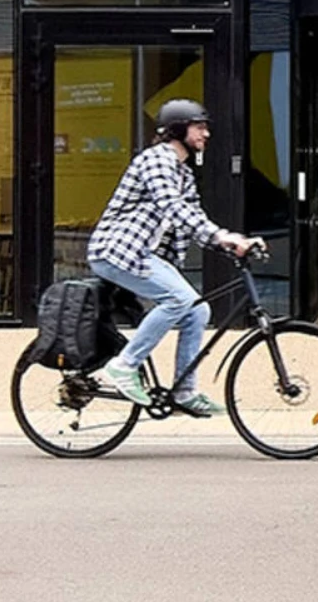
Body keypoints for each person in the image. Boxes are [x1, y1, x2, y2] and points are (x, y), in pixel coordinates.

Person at [86, 100, 263, 417]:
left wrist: (233, 242)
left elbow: (193, 218)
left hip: (142, 255)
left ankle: (184, 392)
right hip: (117, 252)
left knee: (198, 309)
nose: (206, 134)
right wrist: (221, 235)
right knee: (179, 299)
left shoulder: (183, 173)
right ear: (178, 129)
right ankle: (124, 366)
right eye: (199, 127)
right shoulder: (157, 160)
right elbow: (172, 207)